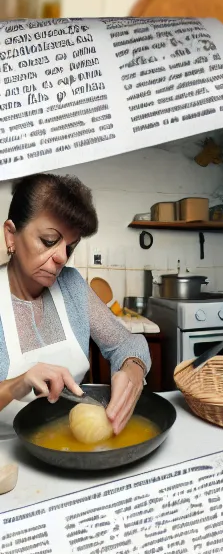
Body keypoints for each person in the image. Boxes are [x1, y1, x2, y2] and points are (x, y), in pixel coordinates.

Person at [0, 173, 150, 436]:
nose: (61, 257)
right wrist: (16, 385)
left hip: (67, 442)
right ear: (11, 235)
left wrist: (133, 369)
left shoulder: (72, 285)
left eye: (70, 247)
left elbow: (128, 343)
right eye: (49, 240)